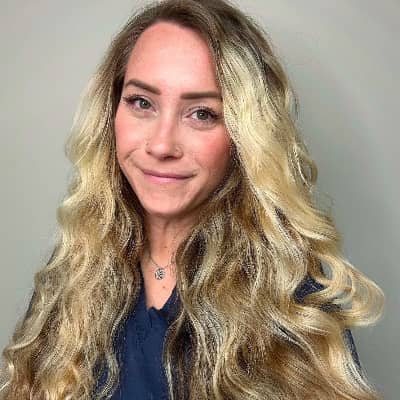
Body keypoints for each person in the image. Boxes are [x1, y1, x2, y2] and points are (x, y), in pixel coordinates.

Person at [0, 0, 385, 399]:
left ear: (244, 136)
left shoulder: (294, 303)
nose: (162, 145)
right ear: (111, 113)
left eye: (201, 113)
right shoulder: (76, 272)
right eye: (142, 103)